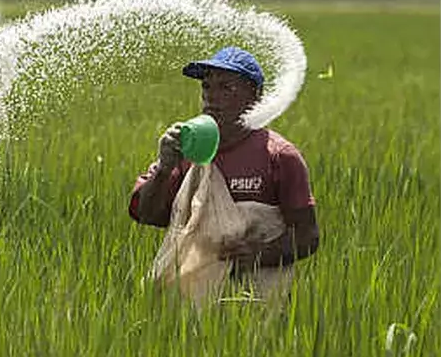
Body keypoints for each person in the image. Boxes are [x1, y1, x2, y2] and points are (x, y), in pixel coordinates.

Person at [128, 46, 320, 295]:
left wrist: (259, 254)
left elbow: (307, 236)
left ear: (255, 97)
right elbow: (147, 215)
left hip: (258, 299)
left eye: (226, 88)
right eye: (207, 87)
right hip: (191, 301)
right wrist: (164, 168)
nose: (212, 97)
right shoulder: (186, 150)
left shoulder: (279, 156)